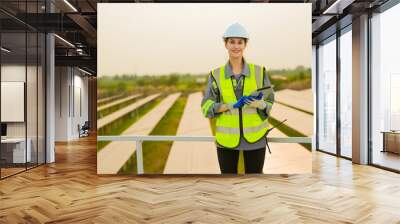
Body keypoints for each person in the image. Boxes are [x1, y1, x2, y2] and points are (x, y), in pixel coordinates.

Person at [201, 22, 274, 174]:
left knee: (253, 185)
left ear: (245, 45)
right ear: (225, 44)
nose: (236, 46)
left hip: (256, 139)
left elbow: (269, 102)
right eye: (232, 42)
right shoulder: (215, 75)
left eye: (240, 42)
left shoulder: (259, 72)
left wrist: (260, 104)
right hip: (226, 141)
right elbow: (206, 107)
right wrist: (230, 105)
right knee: (228, 186)